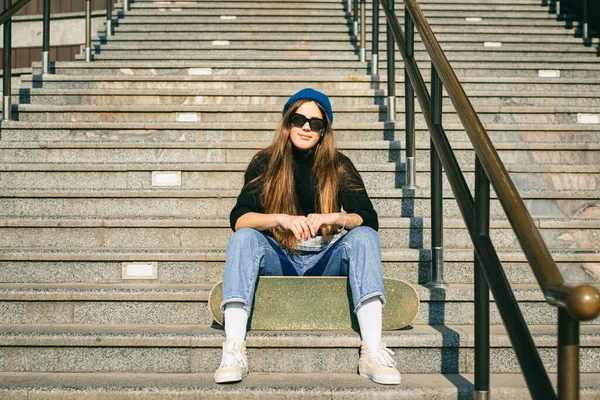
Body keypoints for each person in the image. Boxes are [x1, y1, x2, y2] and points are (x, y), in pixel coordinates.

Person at [214, 88, 401, 385]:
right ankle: (234, 349)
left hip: (325, 257)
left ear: (324, 131)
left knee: (364, 236)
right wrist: (280, 219)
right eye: (299, 119)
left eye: (315, 123)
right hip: (280, 256)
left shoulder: (339, 165)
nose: (306, 128)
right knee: (244, 238)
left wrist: (337, 218)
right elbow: (239, 219)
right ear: (288, 123)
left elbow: (369, 218)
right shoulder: (265, 163)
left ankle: (372, 351)